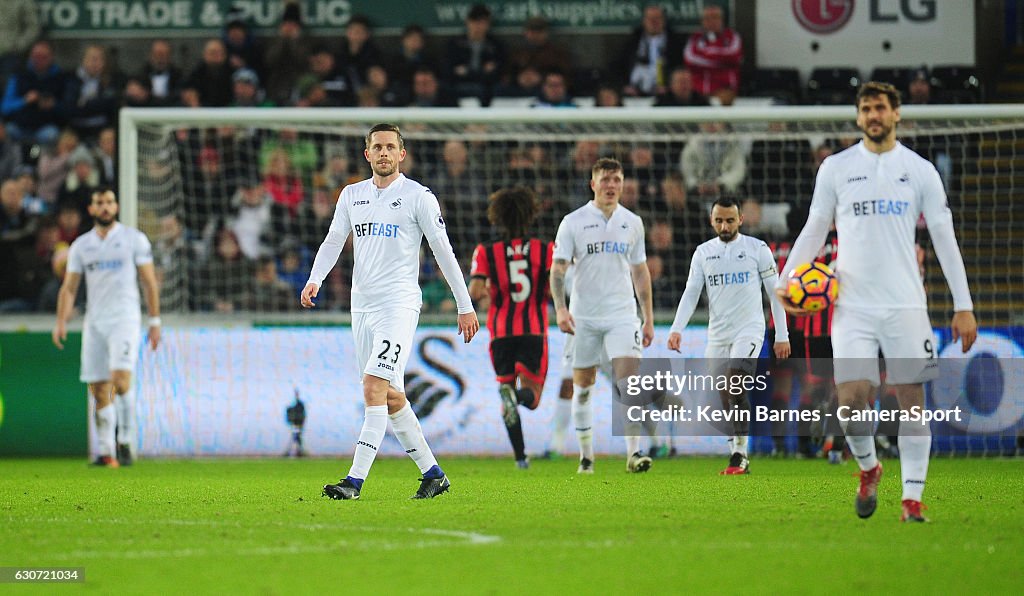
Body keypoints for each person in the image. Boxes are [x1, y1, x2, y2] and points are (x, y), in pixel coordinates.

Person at [776, 82, 978, 522]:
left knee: (911, 399)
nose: (873, 114)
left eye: (881, 107)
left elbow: (944, 237)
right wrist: (787, 279)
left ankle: (912, 499)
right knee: (850, 402)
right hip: (851, 306)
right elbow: (815, 228)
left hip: (906, 305)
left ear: (896, 114)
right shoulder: (836, 168)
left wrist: (964, 305)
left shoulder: (920, 170)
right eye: (866, 108)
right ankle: (869, 468)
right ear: (858, 116)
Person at [302, 123, 478, 500]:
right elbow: (334, 239)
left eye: (390, 147)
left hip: (398, 305)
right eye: (376, 147)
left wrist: (465, 306)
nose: (383, 153)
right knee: (393, 396)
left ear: (402, 154)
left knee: (373, 387)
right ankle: (433, 474)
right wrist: (315, 278)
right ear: (367, 154)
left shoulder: (419, 197)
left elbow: (443, 251)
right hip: (361, 306)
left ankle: (354, 482)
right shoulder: (352, 195)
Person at [667, 197, 791, 474]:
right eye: (719, 220)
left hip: (749, 329)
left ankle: (739, 454)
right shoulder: (702, 253)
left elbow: (775, 294)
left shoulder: (757, 249)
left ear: (740, 220)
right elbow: (691, 293)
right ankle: (737, 448)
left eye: (730, 220)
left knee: (736, 382)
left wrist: (781, 335)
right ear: (712, 221)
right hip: (718, 334)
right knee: (725, 393)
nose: (725, 225)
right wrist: (677, 329)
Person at [550, 157, 655, 474]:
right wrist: (560, 308)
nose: (611, 185)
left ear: (622, 184)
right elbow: (558, 269)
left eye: (616, 179)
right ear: (593, 184)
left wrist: (647, 316)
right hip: (584, 318)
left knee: (628, 384)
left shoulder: (632, 222)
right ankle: (586, 457)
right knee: (583, 386)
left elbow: (640, 271)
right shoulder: (574, 221)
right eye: (605, 179)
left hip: (623, 315)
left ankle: (633, 454)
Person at [52, 189, 161, 467]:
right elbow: (70, 287)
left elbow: (149, 282)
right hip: (95, 321)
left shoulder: (133, 239)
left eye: (110, 202)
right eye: (100, 203)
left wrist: (155, 321)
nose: (105, 207)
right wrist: (61, 321)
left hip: (124, 318)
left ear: (116, 206)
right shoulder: (81, 246)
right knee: (98, 389)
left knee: (121, 380)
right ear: (91, 209)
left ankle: (125, 440)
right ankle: (105, 451)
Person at [469, 186, 553, 469]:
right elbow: (555, 290)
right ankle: (516, 396)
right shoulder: (545, 250)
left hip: (500, 332)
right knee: (533, 398)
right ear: (530, 215)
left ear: (498, 217)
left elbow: (476, 290)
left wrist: (492, 287)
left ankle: (520, 458)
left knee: (505, 394)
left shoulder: (485, 252)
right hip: (533, 331)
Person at [683, 5, 742, 101]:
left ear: (722, 20)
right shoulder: (695, 38)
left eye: (715, 17)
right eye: (707, 18)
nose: (711, 22)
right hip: (698, 93)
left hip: (725, 92)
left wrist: (706, 52)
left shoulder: (732, 37)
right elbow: (690, 60)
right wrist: (720, 61)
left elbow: (734, 57)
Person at [284, 388, 307, 457]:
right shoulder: (296, 404)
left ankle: (297, 452)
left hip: (298, 424)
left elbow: (302, 415)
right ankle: (298, 452)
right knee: (296, 437)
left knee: (296, 437)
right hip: (296, 424)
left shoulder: (300, 404)